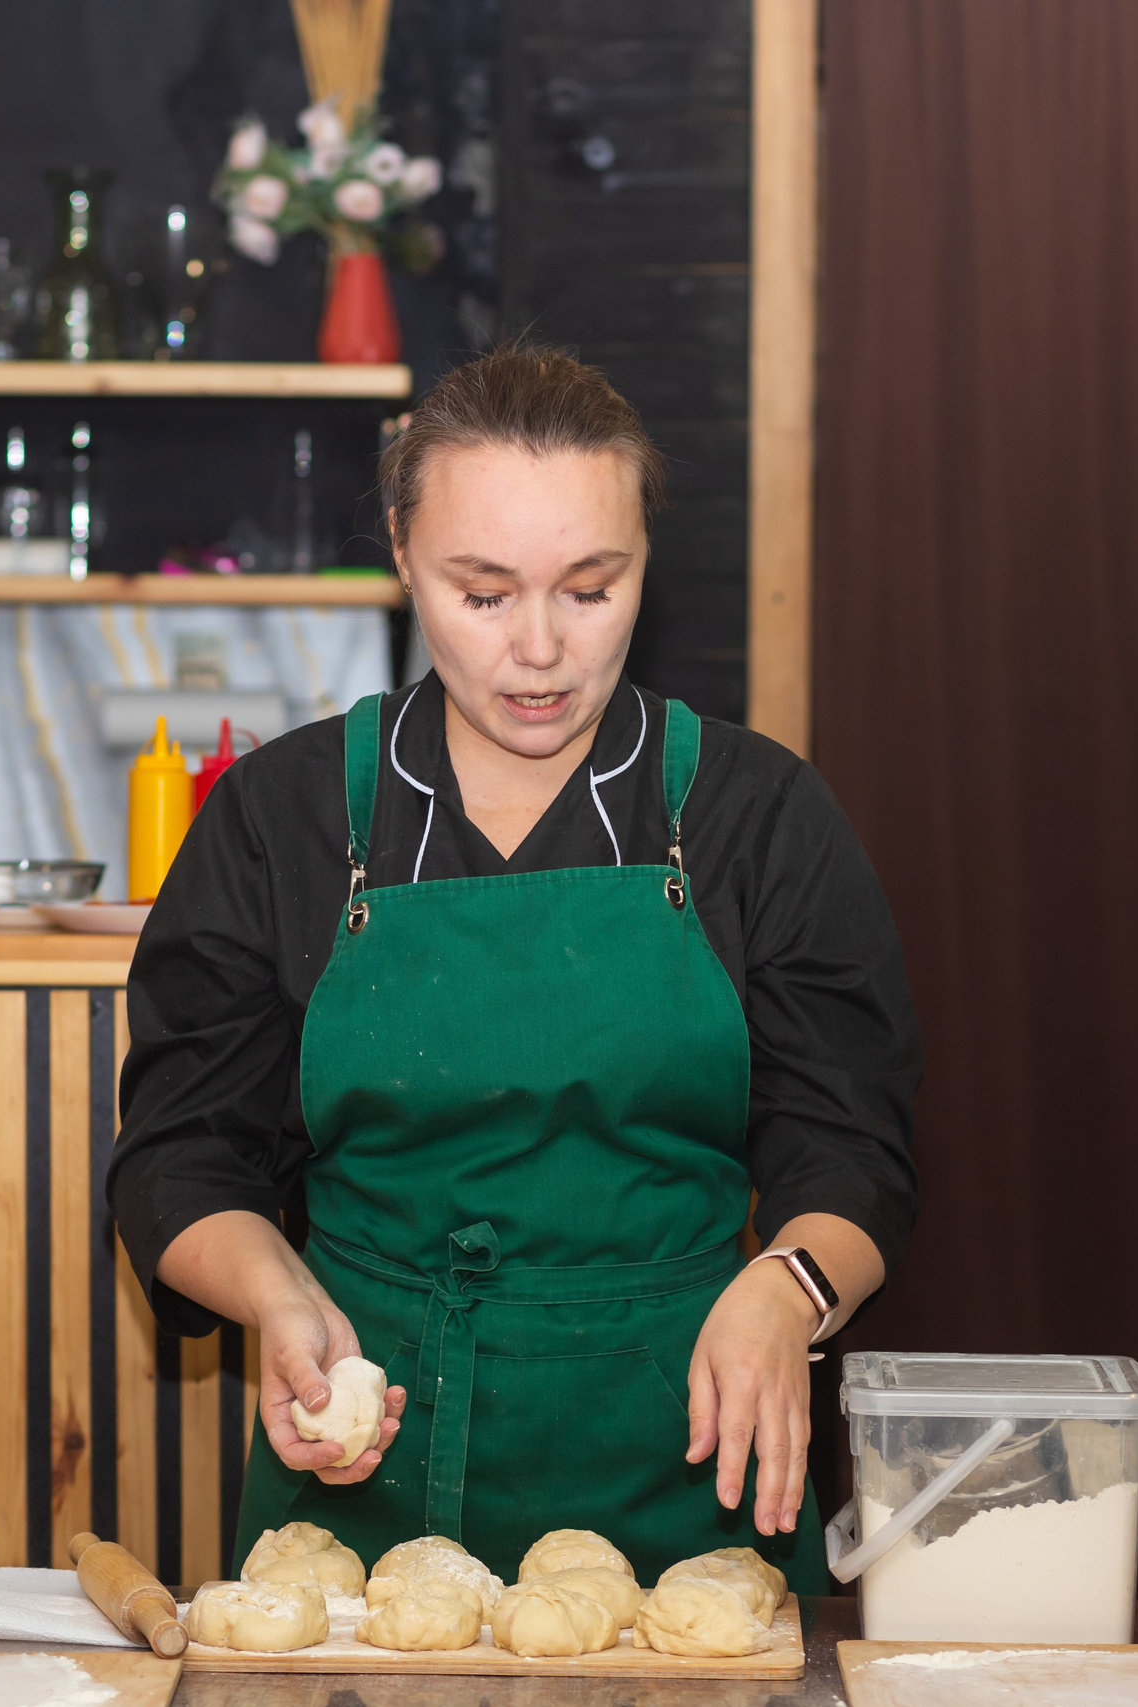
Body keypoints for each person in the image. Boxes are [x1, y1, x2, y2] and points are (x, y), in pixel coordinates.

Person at [108, 342, 920, 1588]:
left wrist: (788, 1288)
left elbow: (850, 1144)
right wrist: (277, 1299)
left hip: (692, 1466)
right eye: (481, 594)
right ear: (400, 554)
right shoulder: (286, 816)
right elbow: (181, 1149)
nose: (538, 649)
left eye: (590, 590)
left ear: (647, 560)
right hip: (362, 1471)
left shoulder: (758, 815)